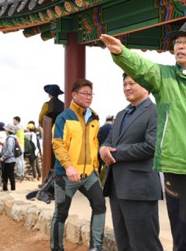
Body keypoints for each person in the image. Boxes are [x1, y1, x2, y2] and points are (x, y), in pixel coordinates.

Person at [101, 20, 186, 251]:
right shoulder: (164, 77)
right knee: (182, 238)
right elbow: (143, 67)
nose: (179, 46)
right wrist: (121, 52)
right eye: (177, 42)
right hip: (178, 168)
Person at [100, 73, 163, 251]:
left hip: (140, 188)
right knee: (124, 242)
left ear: (146, 87)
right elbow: (109, 141)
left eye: (132, 83)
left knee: (145, 244)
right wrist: (103, 149)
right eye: (125, 84)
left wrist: (114, 153)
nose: (127, 87)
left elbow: (151, 146)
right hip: (117, 187)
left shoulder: (156, 112)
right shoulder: (121, 114)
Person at [50, 79, 105, 251]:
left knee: (100, 206)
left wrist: (95, 169)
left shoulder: (95, 118)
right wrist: (68, 166)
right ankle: (57, 248)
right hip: (66, 175)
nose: (89, 97)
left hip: (89, 175)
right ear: (74, 95)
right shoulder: (64, 118)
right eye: (85, 93)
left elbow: (95, 144)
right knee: (60, 213)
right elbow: (57, 143)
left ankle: (96, 247)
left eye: (91, 94)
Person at [0, 125, 19, 191]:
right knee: (7, 175)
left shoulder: (10, 138)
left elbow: (9, 150)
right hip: (11, 159)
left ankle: (11, 189)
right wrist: (3, 144)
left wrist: (3, 157)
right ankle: (6, 188)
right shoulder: (12, 138)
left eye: (6, 129)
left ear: (8, 131)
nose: (5, 131)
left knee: (9, 175)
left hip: (9, 160)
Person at [97, 115, 114, 183]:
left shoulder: (100, 128)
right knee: (107, 168)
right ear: (112, 120)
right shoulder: (113, 128)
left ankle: (97, 182)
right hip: (108, 151)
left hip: (99, 150)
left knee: (98, 167)